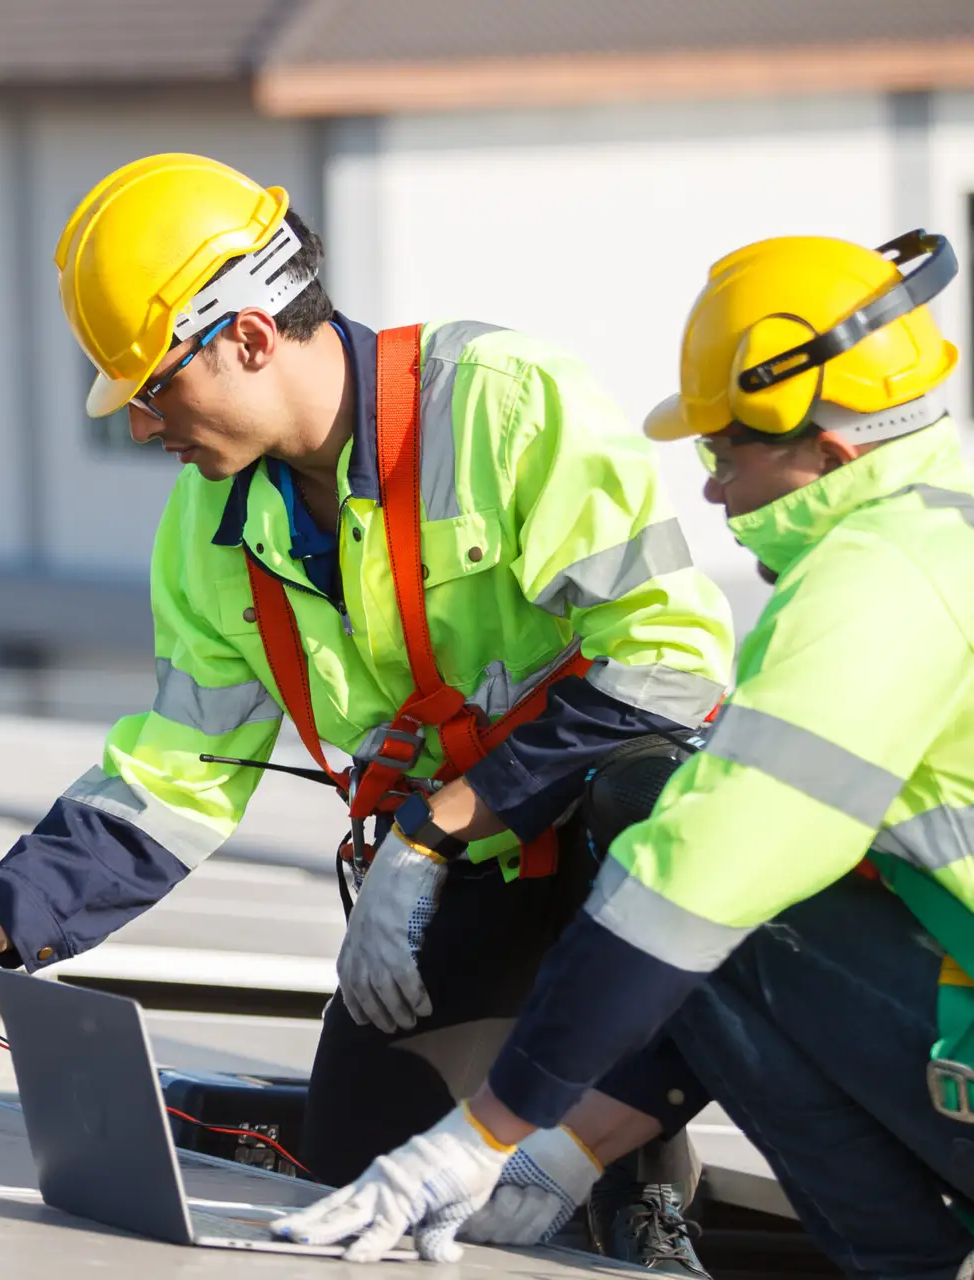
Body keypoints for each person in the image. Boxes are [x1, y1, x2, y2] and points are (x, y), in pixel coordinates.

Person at [0, 153, 733, 1264]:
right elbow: (165, 784)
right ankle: (272, 1108)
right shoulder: (209, 532)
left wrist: (433, 832)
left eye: (151, 389)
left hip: (596, 833)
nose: (142, 427)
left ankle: (635, 1174)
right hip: (472, 870)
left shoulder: (503, 405)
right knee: (361, 1149)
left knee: (655, 799)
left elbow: (670, 662)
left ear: (244, 335)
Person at [267, 229, 974, 1279]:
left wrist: (488, 1132)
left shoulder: (879, 588)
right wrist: (570, 1148)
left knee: (666, 848)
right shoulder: (930, 542)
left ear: (830, 446)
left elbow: (696, 885)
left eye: (725, 453)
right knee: (706, 884)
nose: (713, 491)